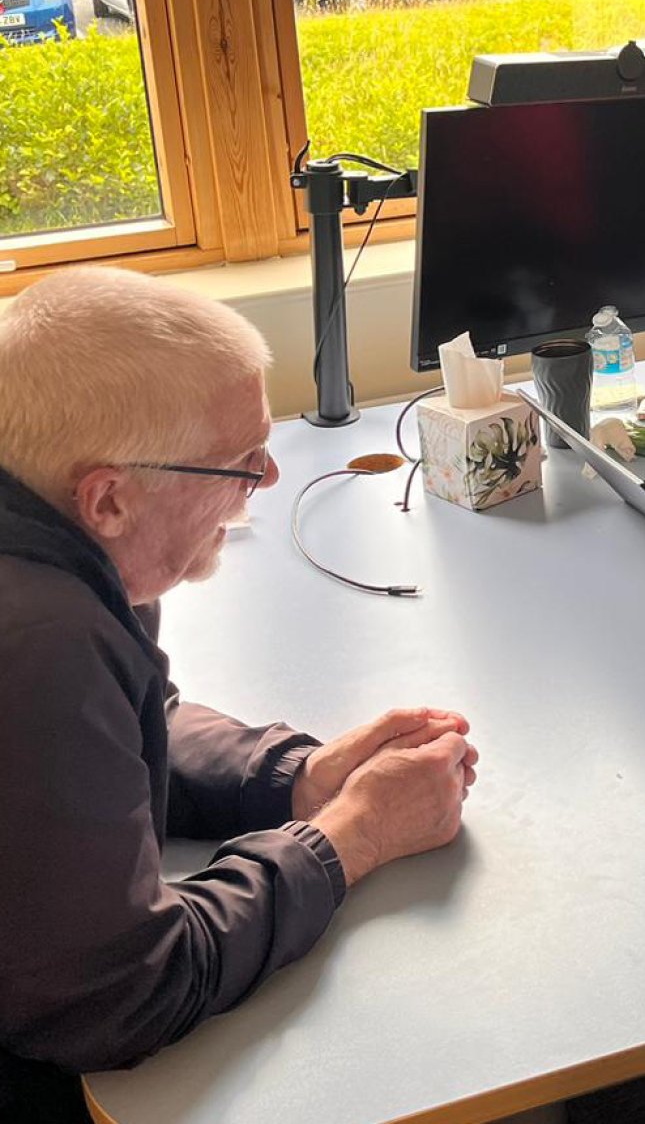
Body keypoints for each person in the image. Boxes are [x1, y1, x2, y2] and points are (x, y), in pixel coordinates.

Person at [0, 267, 480, 1122]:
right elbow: (118, 997)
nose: (265, 481)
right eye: (235, 462)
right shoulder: (42, 645)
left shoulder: (53, 532)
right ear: (109, 496)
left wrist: (293, 777)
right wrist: (352, 836)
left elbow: (131, 728)